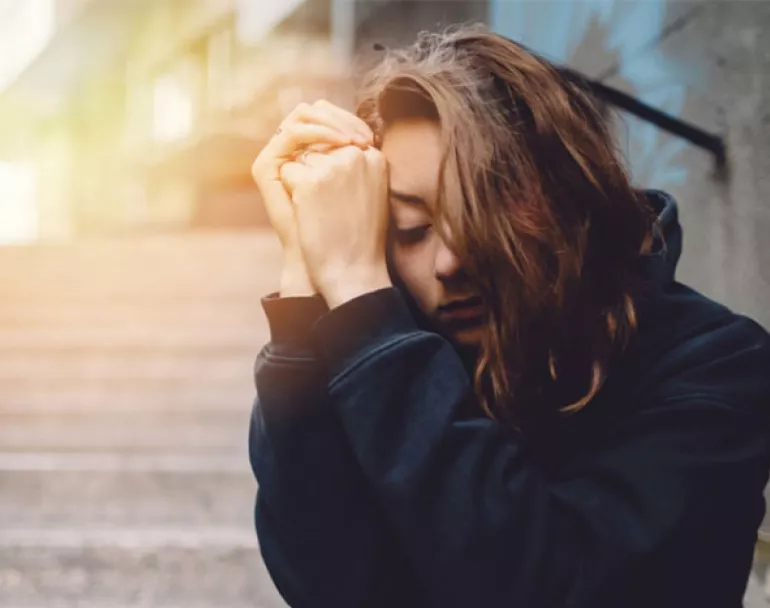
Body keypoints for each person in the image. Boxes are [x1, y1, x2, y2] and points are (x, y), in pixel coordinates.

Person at [248, 25, 770, 608]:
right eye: (409, 229)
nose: (449, 261)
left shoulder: (718, 363)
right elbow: (327, 582)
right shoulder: (390, 348)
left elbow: (545, 586)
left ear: (578, 201)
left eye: (484, 216)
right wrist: (306, 285)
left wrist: (364, 306)